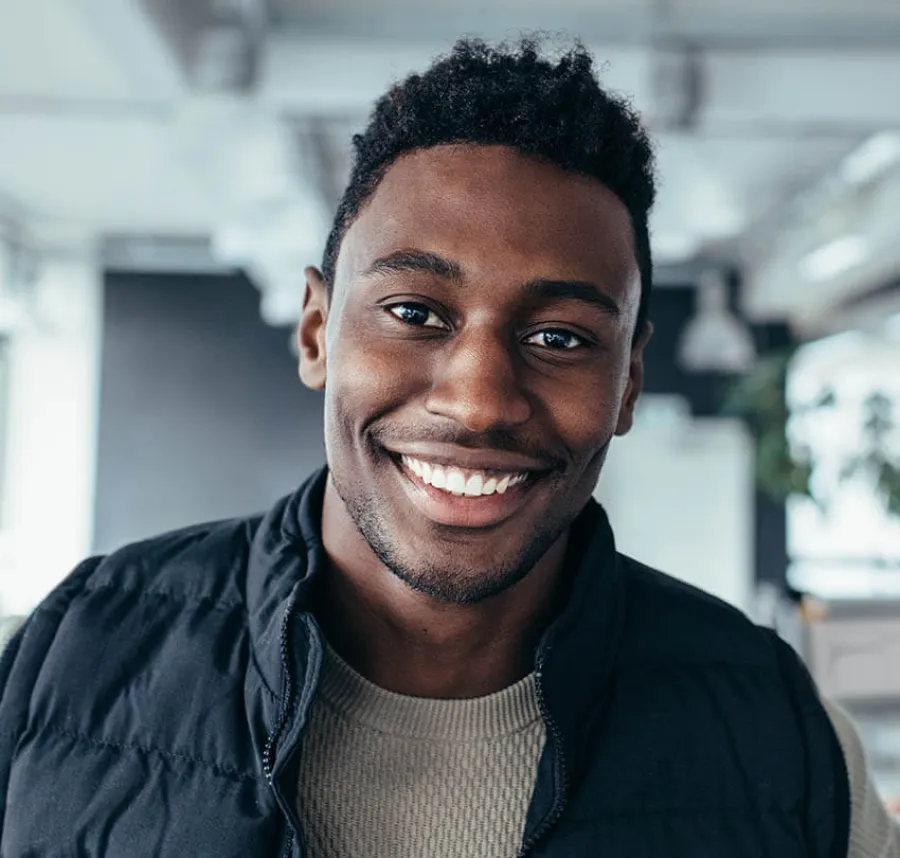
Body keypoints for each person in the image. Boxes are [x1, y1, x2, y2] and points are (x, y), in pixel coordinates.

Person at [0, 38, 897, 858]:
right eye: (415, 314)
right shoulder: (61, 658)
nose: (477, 403)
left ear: (627, 382)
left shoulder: (784, 738)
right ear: (317, 332)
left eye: (560, 338)